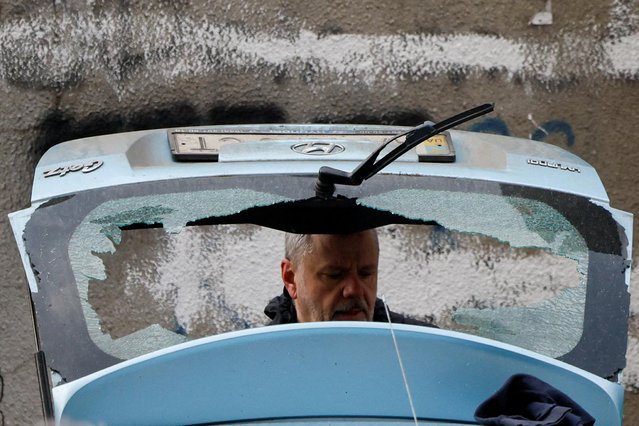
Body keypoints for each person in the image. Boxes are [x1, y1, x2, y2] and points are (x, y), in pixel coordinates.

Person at [264, 229, 436, 326]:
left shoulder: (421, 353)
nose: (354, 290)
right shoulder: (259, 361)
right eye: (334, 275)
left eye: (366, 273)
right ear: (290, 278)